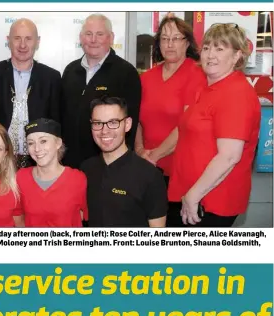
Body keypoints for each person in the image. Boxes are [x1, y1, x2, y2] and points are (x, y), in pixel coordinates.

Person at [168, 24, 261, 227]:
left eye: (220, 49)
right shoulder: (208, 87)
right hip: (191, 193)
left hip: (210, 202)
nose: (211, 54)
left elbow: (229, 156)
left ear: (237, 56)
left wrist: (193, 196)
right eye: (207, 47)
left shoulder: (236, 93)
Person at [61, 14, 141, 168]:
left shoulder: (126, 73)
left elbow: (131, 122)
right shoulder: (70, 71)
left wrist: (121, 165)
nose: (93, 40)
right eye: (88, 34)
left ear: (111, 38)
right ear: (81, 37)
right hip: (69, 164)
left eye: (99, 34)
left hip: (106, 165)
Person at [0, 19, 62, 168]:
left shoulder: (51, 77)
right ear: (8, 41)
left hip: (38, 160)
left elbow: (55, 123)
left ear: (37, 42)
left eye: (28, 39)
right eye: (17, 38)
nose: (22, 45)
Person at [136, 16, 206, 185]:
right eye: (165, 39)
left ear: (187, 43)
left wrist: (156, 155)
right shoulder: (147, 77)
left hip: (180, 168)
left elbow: (187, 126)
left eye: (176, 38)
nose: (169, 44)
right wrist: (139, 150)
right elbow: (136, 119)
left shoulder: (197, 75)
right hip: (146, 165)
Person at [81, 96, 167, 227]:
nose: (105, 131)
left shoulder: (150, 176)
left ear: (127, 124)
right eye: (98, 123)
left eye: (113, 122)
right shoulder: (86, 169)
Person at [17, 118, 87, 227]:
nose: (37, 149)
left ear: (58, 143)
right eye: (31, 143)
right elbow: (18, 217)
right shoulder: (21, 177)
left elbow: (82, 216)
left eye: (43, 141)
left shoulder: (78, 179)